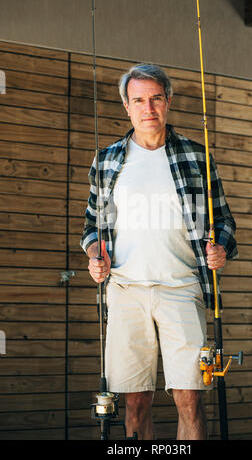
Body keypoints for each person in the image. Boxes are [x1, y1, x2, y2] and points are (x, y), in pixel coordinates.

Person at [81, 64, 238, 440]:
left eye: (155, 98)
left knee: (190, 397)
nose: (147, 107)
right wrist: (94, 254)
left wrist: (222, 249)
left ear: (167, 101)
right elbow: (92, 226)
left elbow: (226, 222)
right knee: (135, 401)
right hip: (125, 292)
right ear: (126, 106)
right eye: (138, 100)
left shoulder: (197, 157)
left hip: (182, 289)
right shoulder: (107, 161)